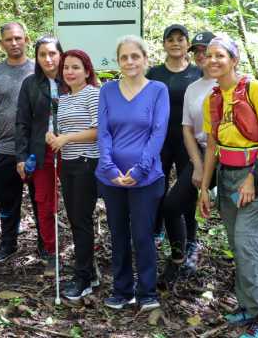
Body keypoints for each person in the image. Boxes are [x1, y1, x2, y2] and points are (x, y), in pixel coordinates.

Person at [198, 36, 258, 338]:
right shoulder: (213, 98)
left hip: (254, 172)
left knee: (246, 243)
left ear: (234, 60)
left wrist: (252, 179)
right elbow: (211, 148)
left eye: (220, 55)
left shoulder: (254, 89)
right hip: (227, 173)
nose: (213, 60)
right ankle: (247, 305)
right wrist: (204, 189)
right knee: (236, 243)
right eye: (209, 56)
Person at [97, 36, 169, 311]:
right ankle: (122, 289)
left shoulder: (158, 90)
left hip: (147, 178)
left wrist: (140, 170)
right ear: (118, 62)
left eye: (135, 56)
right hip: (111, 178)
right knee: (118, 234)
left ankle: (147, 291)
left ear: (145, 59)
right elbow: (103, 132)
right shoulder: (107, 91)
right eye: (124, 57)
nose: (129, 62)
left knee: (142, 234)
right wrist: (109, 167)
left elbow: (158, 132)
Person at [160, 31, 216, 285]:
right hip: (197, 151)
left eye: (208, 51)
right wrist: (198, 163)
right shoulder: (193, 87)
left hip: (230, 155)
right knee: (172, 205)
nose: (203, 56)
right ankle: (179, 257)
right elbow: (188, 128)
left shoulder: (232, 84)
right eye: (199, 52)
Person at [0, 22, 38, 263]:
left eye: (18, 38)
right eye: (8, 40)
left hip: (35, 149)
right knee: (6, 199)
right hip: (3, 146)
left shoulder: (38, 69)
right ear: (1, 43)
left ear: (26, 39)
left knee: (40, 200)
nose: (14, 43)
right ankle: (8, 242)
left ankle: (45, 245)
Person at [47, 49, 100, 301]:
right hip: (67, 164)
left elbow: (98, 131)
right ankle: (89, 270)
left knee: (81, 220)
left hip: (87, 163)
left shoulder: (93, 94)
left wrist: (66, 137)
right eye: (66, 67)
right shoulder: (64, 98)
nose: (69, 71)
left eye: (76, 67)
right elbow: (61, 130)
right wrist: (54, 136)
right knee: (75, 220)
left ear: (87, 71)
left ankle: (84, 278)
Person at [147, 24, 202, 245]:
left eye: (181, 39)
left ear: (187, 44)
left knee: (187, 190)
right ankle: (157, 230)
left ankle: (191, 237)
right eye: (170, 39)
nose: (176, 43)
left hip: (188, 142)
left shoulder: (198, 73)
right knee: (157, 186)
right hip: (161, 141)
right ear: (164, 44)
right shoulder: (154, 73)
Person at [15, 35, 62, 275]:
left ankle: (85, 254)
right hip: (41, 153)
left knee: (77, 204)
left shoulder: (73, 79)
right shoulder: (30, 84)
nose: (48, 59)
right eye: (42, 54)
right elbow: (22, 122)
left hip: (72, 151)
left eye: (52, 53)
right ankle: (51, 251)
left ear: (60, 54)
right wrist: (21, 156)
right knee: (44, 203)